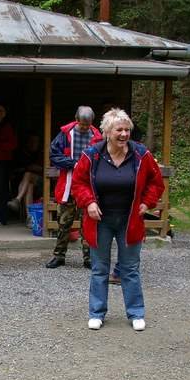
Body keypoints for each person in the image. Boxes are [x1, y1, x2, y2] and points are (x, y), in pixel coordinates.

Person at [71, 108, 165, 331]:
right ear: (106, 132)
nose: (124, 134)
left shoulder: (141, 155)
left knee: (130, 268)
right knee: (99, 268)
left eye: (127, 130)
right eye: (119, 130)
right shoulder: (92, 155)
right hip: (100, 220)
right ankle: (97, 312)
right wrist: (89, 202)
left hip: (129, 219)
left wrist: (147, 202)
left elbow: (156, 182)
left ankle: (136, 313)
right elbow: (78, 183)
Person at [45, 106, 103, 269]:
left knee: (88, 223)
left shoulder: (97, 136)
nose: (85, 127)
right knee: (64, 223)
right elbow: (54, 155)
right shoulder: (65, 134)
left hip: (89, 186)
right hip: (68, 184)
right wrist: (74, 164)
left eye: (88, 124)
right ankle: (59, 256)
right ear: (76, 120)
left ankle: (89, 258)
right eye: (82, 124)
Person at [7, 133, 44, 226]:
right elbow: (16, 169)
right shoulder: (23, 154)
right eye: (31, 141)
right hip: (28, 184)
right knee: (29, 186)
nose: (33, 144)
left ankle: (17, 200)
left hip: (44, 184)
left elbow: (45, 168)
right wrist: (29, 168)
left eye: (35, 142)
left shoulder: (43, 152)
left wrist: (32, 168)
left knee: (28, 174)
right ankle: (30, 218)